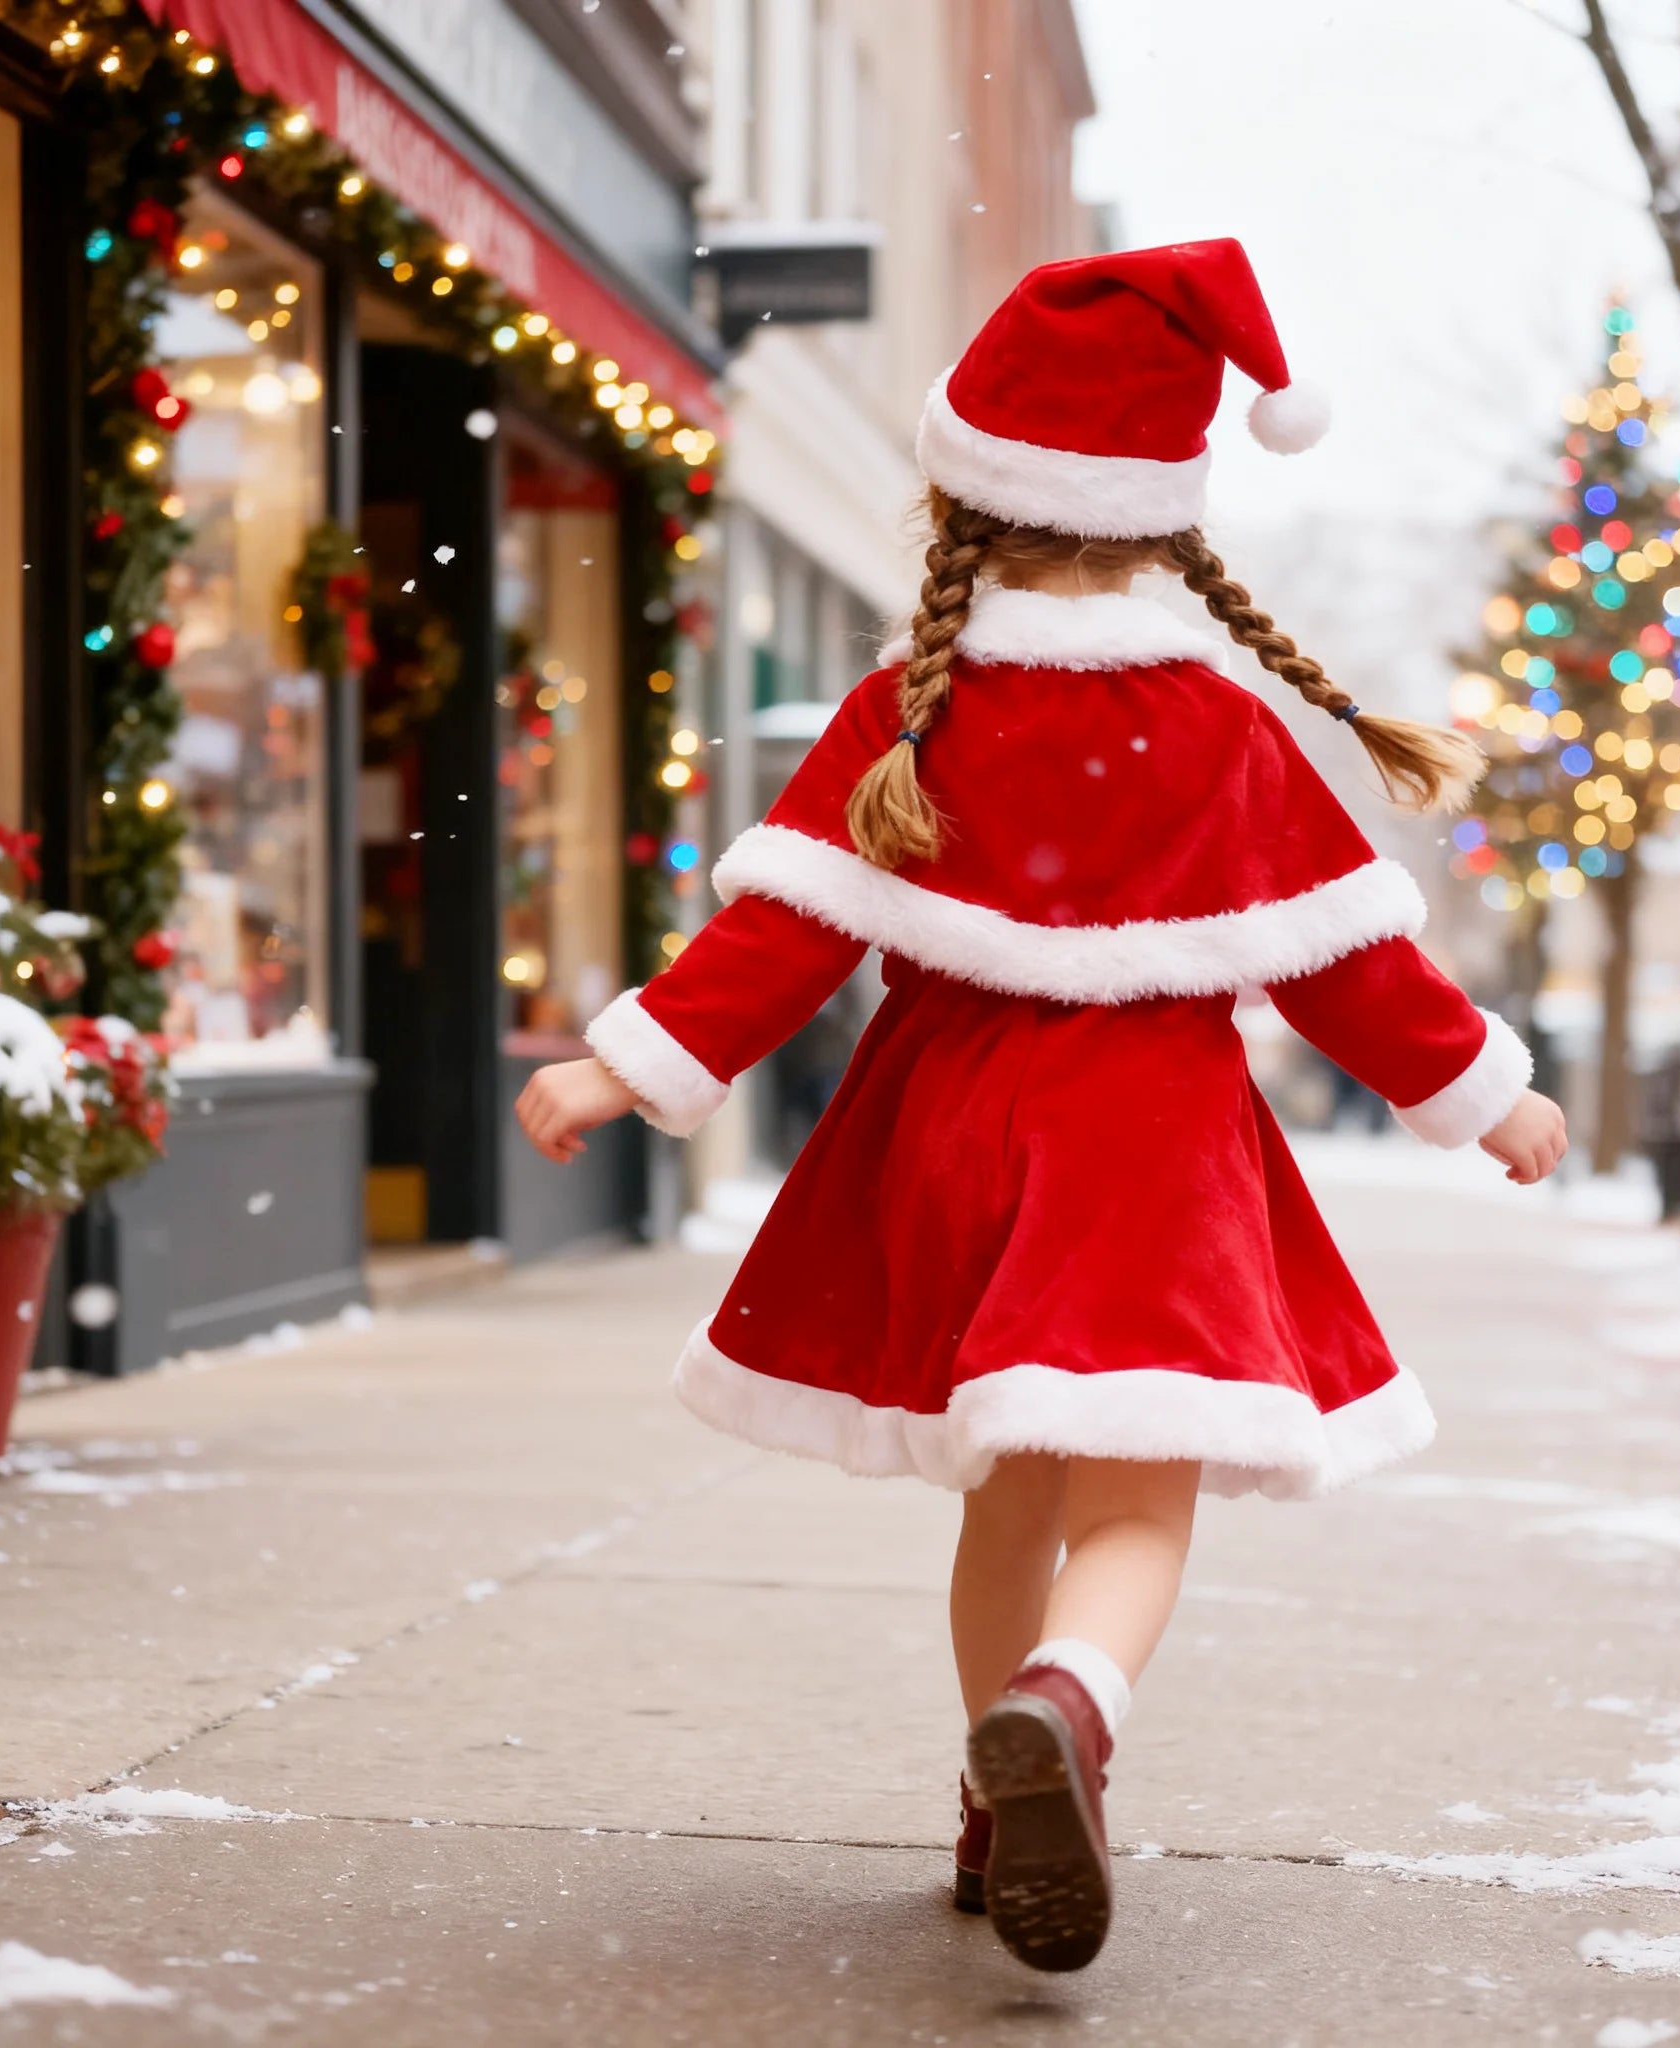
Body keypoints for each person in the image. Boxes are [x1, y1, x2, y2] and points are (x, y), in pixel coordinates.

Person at [516, 241, 1567, 1974]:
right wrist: (1482, 1096)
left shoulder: (909, 708)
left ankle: (998, 1798)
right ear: (1165, 518)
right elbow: (1348, 966)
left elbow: (776, 939)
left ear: (968, 499)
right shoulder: (1220, 725)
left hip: (948, 1127)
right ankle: (1072, 1708)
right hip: (1150, 1152)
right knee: (1138, 1501)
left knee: (1007, 1485)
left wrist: (616, 1067)